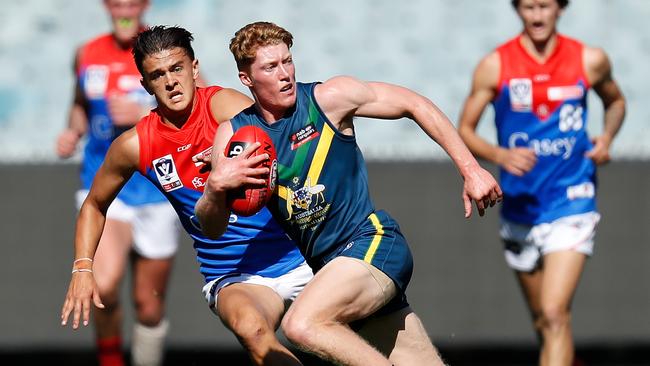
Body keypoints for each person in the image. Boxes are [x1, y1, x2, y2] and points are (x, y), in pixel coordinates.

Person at [195, 21, 502, 366]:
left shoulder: (328, 99)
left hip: (373, 243)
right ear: (246, 78)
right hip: (332, 272)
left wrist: (471, 169)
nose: (285, 74)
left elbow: (414, 104)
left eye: (288, 61)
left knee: (301, 325)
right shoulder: (235, 135)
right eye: (271, 66)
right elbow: (212, 227)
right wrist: (216, 188)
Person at [59, 25, 314, 366]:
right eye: (158, 74)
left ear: (194, 69)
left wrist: (231, 154)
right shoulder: (135, 145)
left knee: (336, 333)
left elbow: (284, 142)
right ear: (145, 84)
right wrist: (81, 269)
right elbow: (94, 204)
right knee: (252, 332)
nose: (170, 81)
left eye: (177, 68)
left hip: (298, 254)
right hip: (232, 273)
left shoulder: (224, 106)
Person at [457, 1, 626, 365]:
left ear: (560, 8)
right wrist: (500, 155)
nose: (536, 15)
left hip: (572, 198)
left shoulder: (588, 60)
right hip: (520, 207)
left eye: (544, 6)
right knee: (544, 321)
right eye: (528, 7)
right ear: (517, 9)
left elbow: (615, 102)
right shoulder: (496, 65)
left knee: (553, 313)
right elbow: (465, 130)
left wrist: (607, 138)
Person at [56, 1, 182, 366]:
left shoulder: (162, 51)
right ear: (107, 7)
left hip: (157, 190)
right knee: (105, 285)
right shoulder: (87, 53)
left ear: (143, 6)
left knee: (149, 303)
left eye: (131, 3)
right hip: (107, 187)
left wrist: (146, 114)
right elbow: (79, 104)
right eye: (116, 3)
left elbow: (198, 106)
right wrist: (73, 130)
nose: (123, 10)